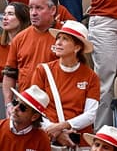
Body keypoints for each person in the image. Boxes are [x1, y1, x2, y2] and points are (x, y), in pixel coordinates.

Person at [31, 20, 99, 148]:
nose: (58, 42)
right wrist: (54, 131)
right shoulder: (42, 70)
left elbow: (90, 115)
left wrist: (62, 126)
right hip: (47, 139)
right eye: (58, 38)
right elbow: (34, 108)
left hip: (78, 142)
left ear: (77, 47)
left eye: (65, 39)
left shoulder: (91, 76)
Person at [1, 0, 58, 107]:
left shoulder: (65, 36)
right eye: (31, 8)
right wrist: (9, 105)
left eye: (39, 8)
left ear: (53, 10)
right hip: (25, 106)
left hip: (56, 105)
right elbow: (9, 74)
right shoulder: (20, 38)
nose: (33, 13)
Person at [0, 85, 51, 151]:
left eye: (22, 107)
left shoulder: (42, 139)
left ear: (34, 117)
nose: (15, 108)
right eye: (15, 102)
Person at [0, 4, 30, 70]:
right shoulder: (1, 42)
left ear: (22, 18)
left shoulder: (30, 45)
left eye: (10, 14)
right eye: (4, 14)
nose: (5, 18)